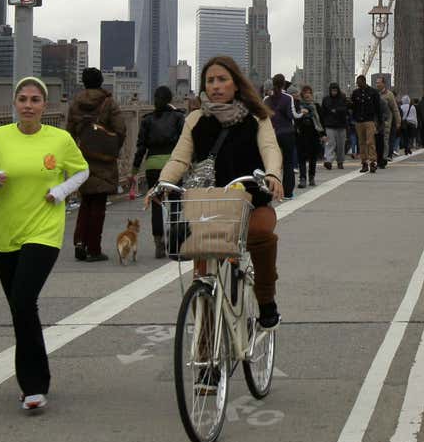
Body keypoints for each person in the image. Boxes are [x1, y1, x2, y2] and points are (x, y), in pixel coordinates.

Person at [155, 56, 285, 344]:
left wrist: (273, 175)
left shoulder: (256, 118)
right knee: (202, 279)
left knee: (262, 234)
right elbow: (179, 158)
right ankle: (205, 359)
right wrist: (163, 182)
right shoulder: (196, 119)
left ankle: (266, 301)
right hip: (209, 205)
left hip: (249, 199)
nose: (215, 86)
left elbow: (270, 150)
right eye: (210, 81)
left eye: (222, 79)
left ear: (236, 84)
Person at [0, 77, 89, 412]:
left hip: (43, 230)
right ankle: (35, 377)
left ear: (45, 105)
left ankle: (33, 385)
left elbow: (81, 171)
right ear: (15, 103)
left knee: (23, 299)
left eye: (35, 100)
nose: (28, 105)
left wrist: (59, 192)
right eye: (23, 99)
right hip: (3, 232)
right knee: (20, 308)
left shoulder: (59, 139)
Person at [66, 67, 126, 262]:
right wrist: (110, 146)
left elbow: (69, 132)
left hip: (81, 158)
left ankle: (79, 243)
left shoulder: (75, 103)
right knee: (98, 206)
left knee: (85, 202)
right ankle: (94, 248)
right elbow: (121, 129)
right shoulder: (108, 102)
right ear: (101, 81)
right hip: (103, 161)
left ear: (83, 82)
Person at [132, 86, 186, 258]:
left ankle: (158, 244)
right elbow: (185, 142)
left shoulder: (148, 120)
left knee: (156, 203)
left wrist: (134, 169)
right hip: (174, 165)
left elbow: (141, 147)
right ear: (170, 99)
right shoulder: (178, 117)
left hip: (153, 166)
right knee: (176, 203)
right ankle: (175, 241)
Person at [264, 74, 298, 200]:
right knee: (288, 163)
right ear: (284, 84)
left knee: (273, 163)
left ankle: (271, 191)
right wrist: (301, 114)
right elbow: (292, 115)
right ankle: (288, 192)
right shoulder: (288, 98)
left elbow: (264, 116)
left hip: (272, 134)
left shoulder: (267, 99)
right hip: (287, 133)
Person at [349, 74, 380, 173]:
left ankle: (373, 162)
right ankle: (364, 163)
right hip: (359, 121)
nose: (358, 84)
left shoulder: (373, 92)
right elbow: (353, 107)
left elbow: (377, 107)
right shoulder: (355, 93)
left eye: (359, 82)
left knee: (370, 142)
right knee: (361, 143)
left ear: (364, 81)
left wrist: (378, 121)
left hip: (369, 120)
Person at [295, 84, 324, 187]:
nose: (307, 95)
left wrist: (323, 134)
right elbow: (295, 120)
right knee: (301, 158)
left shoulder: (316, 106)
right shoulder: (298, 106)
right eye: (305, 92)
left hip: (314, 135)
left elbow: (321, 121)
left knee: (313, 157)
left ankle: (311, 177)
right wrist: (301, 114)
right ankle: (302, 178)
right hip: (302, 135)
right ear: (302, 94)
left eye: (309, 93)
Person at [319, 82, 350, 170]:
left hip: (341, 125)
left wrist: (336, 110)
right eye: (332, 90)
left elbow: (346, 109)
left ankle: (340, 161)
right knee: (330, 144)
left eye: (335, 90)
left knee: (341, 145)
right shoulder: (326, 99)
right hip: (330, 125)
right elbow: (323, 113)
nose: (334, 92)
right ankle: (328, 161)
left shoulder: (342, 98)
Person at [376, 76, 402, 167]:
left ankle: (384, 158)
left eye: (379, 82)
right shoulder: (375, 94)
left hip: (386, 122)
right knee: (377, 141)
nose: (377, 84)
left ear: (384, 83)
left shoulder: (389, 94)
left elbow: (395, 109)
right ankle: (378, 158)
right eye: (377, 82)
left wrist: (398, 121)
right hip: (376, 122)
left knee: (385, 140)